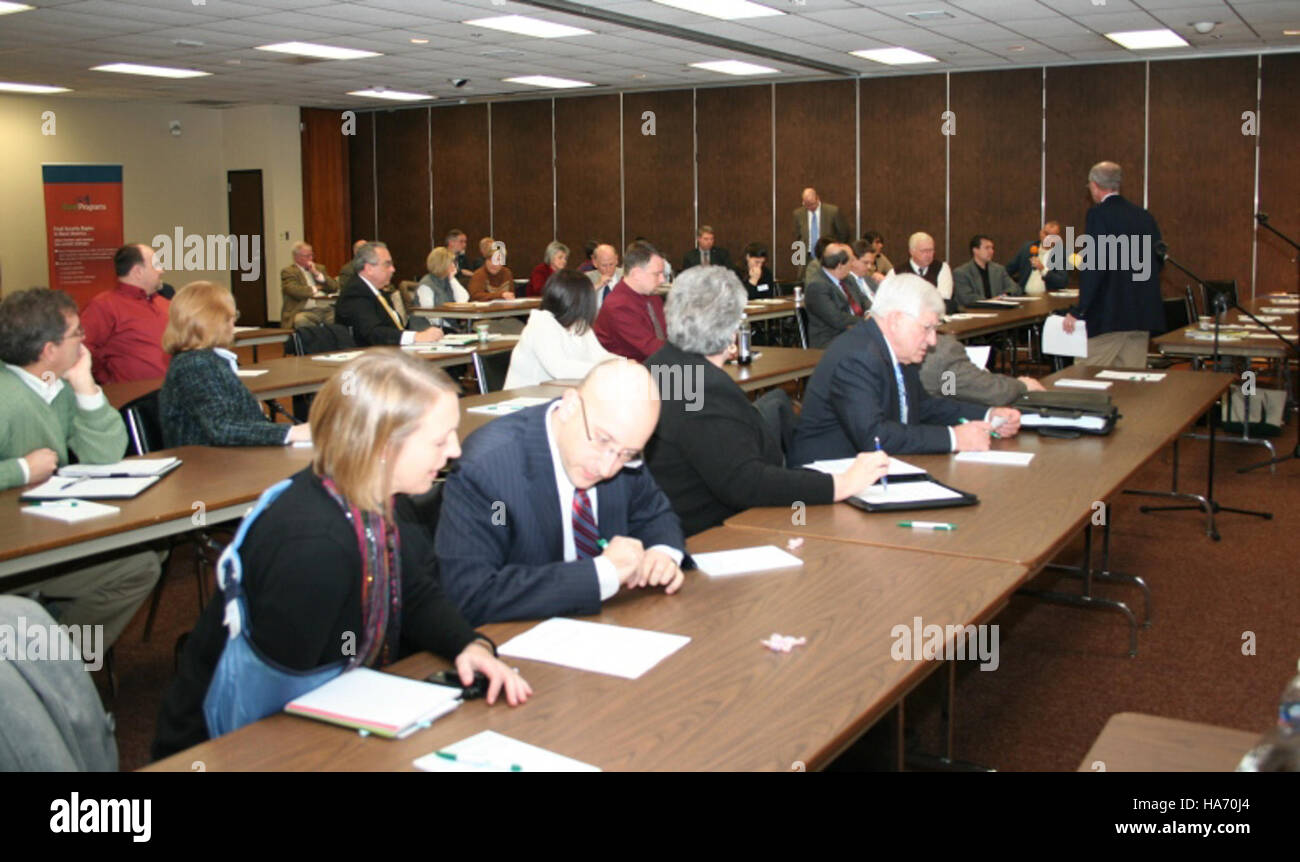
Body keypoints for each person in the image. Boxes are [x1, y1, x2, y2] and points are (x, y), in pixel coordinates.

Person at [151, 351, 530, 759]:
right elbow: (275, 706)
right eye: (439, 440)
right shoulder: (314, 545)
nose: (455, 451)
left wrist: (467, 644)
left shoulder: (370, 494)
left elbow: (412, 588)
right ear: (383, 446)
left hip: (327, 707)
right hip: (222, 747)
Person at [436, 360, 686, 625]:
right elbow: (473, 593)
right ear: (569, 406)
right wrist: (600, 574)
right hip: (519, 637)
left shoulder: (621, 448)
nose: (608, 468)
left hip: (610, 621)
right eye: (602, 441)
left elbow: (655, 514)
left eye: (628, 454)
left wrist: (661, 554)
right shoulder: (490, 473)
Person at [645, 267, 890, 536]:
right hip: (716, 535)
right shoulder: (704, 388)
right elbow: (746, 482)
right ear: (731, 329)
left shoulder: (660, 366)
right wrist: (840, 484)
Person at [0, 288, 159, 647]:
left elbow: (106, 453)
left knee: (142, 561)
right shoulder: (5, 396)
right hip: (12, 550)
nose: (86, 341)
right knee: (136, 565)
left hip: (41, 534)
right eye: (76, 335)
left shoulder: (55, 385)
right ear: (48, 351)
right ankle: (50, 673)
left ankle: (51, 663)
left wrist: (86, 386)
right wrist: (20, 470)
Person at [789, 275, 1022, 462]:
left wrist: (988, 415)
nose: (932, 341)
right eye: (927, 328)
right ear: (896, 320)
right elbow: (874, 437)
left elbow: (924, 406)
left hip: (873, 468)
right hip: (830, 477)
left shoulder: (898, 351)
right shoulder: (857, 357)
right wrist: (954, 438)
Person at [160, 282, 312, 448]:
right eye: (231, 317)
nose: (233, 323)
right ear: (216, 320)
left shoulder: (205, 359)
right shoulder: (195, 365)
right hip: (211, 465)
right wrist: (292, 433)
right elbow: (223, 429)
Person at [1063, 161, 1165, 368]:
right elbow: (1158, 260)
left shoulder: (1098, 215)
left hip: (1108, 316)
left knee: (1085, 379)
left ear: (1093, 185)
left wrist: (1079, 310)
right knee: (1129, 387)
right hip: (1140, 315)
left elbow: (1095, 267)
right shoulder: (1144, 216)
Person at [505, 270, 617, 389]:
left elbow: (600, 355)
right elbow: (560, 369)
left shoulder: (579, 324)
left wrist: (624, 364)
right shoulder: (541, 323)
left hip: (557, 395)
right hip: (526, 401)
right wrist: (609, 368)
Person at [80, 243, 170, 385]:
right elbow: (82, 348)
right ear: (138, 271)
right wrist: (108, 379)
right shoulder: (104, 305)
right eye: (156, 265)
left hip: (169, 393)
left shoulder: (165, 304)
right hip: (131, 399)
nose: (161, 271)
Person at [336, 242, 442, 346]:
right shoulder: (355, 293)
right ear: (369, 269)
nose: (393, 269)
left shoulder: (379, 291)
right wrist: (415, 337)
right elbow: (374, 333)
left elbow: (393, 328)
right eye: (387, 264)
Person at [593, 240, 669, 362]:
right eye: (657, 274)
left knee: (701, 373)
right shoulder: (618, 306)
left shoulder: (651, 295)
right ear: (637, 274)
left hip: (652, 366)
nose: (662, 280)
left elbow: (668, 333)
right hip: (626, 373)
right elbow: (651, 348)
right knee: (700, 375)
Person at [918, 334, 1045, 406]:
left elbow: (950, 390)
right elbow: (990, 391)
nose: (932, 338)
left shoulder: (947, 377)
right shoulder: (942, 350)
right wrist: (1022, 385)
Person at [805, 243, 868, 348]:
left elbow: (863, 299)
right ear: (840, 265)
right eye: (851, 261)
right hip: (831, 340)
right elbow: (837, 319)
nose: (852, 264)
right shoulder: (817, 286)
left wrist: (869, 312)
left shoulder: (849, 279)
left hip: (855, 332)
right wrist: (867, 321)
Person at [883, 232, 953, 307]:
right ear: (911, 252)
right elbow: (890, 300)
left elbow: (944, 298)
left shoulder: (942, 268)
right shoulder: (896, 273)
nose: (928, 255)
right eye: (924, 251)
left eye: (931, 250)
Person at [279, 241, 338, 329]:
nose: (311, 258)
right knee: (301, 321)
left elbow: (334, 287)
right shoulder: (289, 272)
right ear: (296, 257)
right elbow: (293, 290)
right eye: (307, 256)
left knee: (340, 318)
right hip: (303, 310)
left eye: (312, 255)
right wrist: (315, 289)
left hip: (326, 308)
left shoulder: (319, 268)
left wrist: (317, 274)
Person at [953, 235, 1022, 308]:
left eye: (992, 248)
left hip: (999, 311)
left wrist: (1005, 295)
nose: (991, 251)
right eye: (987, 248)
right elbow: (966, 297)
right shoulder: (961, 272)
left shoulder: (999, 270)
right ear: (975, 250)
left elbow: (1015, 288)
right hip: (974, 312)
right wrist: (990, 301)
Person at [792, 188, 849, 276]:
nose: (810, 207)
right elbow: (797, 236)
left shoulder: (833, 211)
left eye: (812, 204)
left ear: (818, 199)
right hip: (808, 255)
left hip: (827, 254)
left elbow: (843, 233)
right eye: (807, 205)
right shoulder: (798, 214)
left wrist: (835, 250)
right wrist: (799, 259)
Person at [414, 247, 468, 331]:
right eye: (451, 263)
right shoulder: (426, 285)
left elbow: (463, 301)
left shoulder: (447, 279)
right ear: (442, 265)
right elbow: (430, 315)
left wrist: (452, 279)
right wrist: (451, 328)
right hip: (426, 330)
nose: (454, 266)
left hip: (447, 328)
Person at [1005, 221, 1068, 294]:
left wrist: (1043, 270)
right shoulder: (1027, 248)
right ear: (1040, 232)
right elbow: (1009, 269)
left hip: (1048, 298)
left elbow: (1062, 282)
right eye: (1045, 233)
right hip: (1024, 296)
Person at [467, 237, 516, 301]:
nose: (493, 264)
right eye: (490, 260)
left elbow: (511, 294)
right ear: (486, 260)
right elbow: (475, 296)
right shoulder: (479, 274)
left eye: (498, 260)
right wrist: (500, 295)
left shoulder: (507, 273)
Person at [586, 243, 623, 310]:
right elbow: (578, 303)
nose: (608, 269)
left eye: (611, 264)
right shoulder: (587, 278)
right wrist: (596, 286)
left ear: (616, 260)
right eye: (604, 265)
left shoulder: (626, 276)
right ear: (595, 263)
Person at [847, 239, 882, 307]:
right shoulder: (846, 283)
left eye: (871, 263)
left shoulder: (870, 279)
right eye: (865, 263)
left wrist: (884, 284)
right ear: (853, 260)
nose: (869, 267)